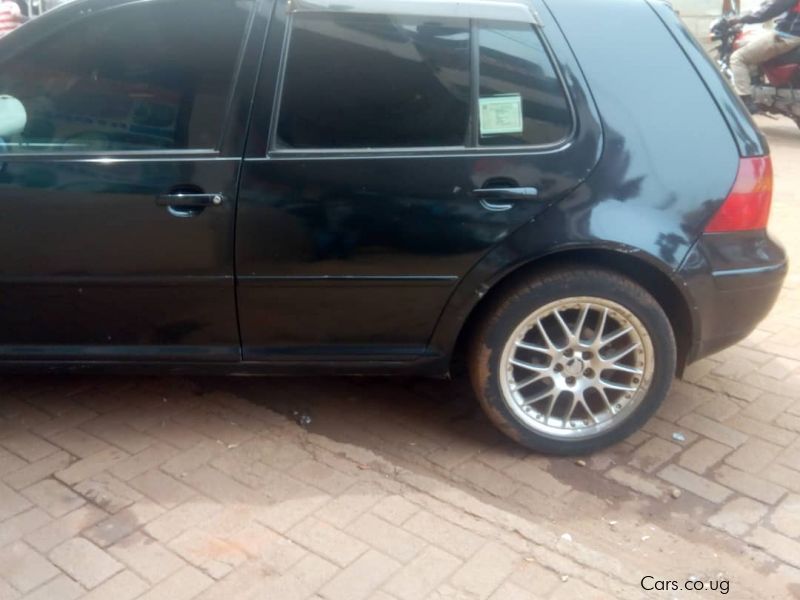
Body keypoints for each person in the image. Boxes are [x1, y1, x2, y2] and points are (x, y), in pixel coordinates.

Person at [728, 0, 800, 112]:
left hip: (788, 36)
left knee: (738, 57)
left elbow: (772, 8)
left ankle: (745, 102)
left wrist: (741, 19)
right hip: (793, 36)